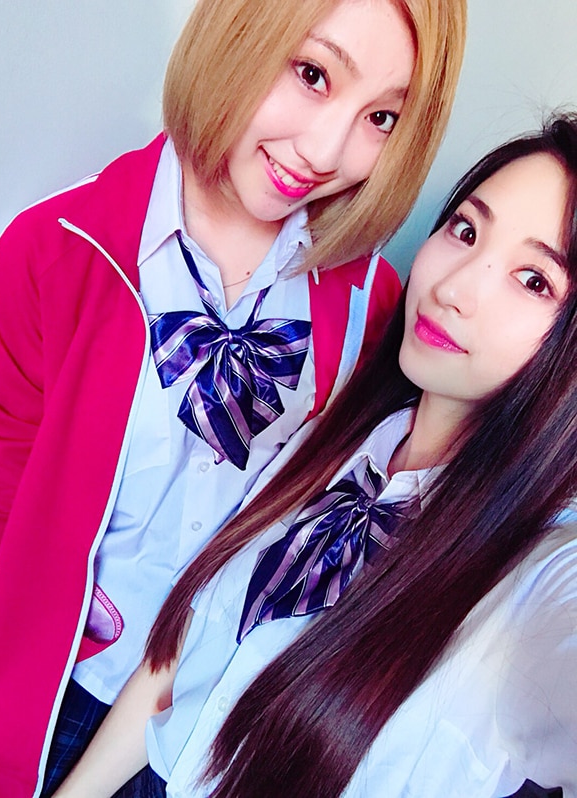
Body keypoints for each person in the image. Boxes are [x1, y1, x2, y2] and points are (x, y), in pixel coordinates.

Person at [0, 0, 466, 795]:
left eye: (381, 117)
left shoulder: (373, 309)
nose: (325, 151)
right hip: (44, 691)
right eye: (312, 74)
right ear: (238, 31)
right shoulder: (56, 249)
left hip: (207, 727)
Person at [54, 113, 577, 798]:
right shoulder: (338, 438)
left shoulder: (540, 579)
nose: (454, 289)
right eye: (466, 231)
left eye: (534, 280)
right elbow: (179, 658)